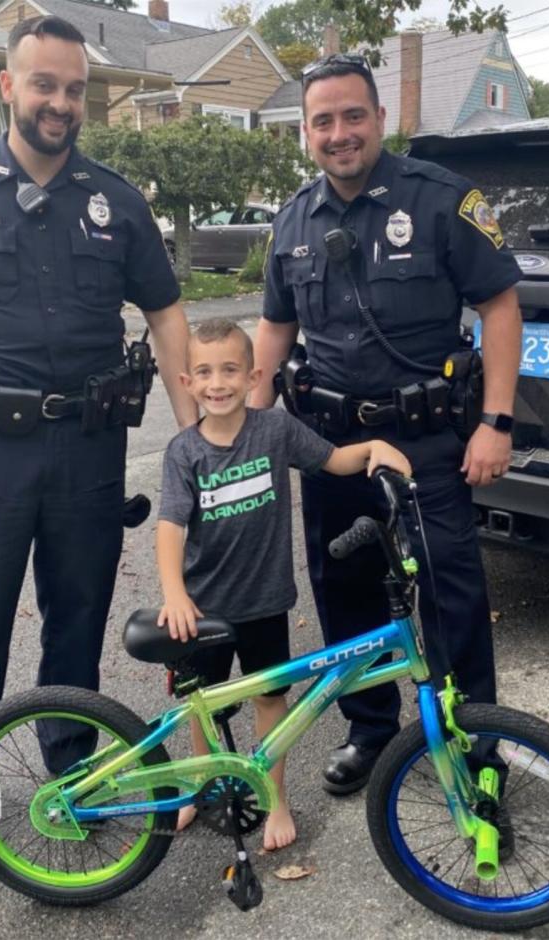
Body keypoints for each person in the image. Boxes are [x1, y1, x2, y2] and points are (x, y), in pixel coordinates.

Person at [0, 15, 196, 848]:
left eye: (74, 88)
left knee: (78, 619)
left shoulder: (117, 204)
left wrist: (195, 436)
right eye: (44, 84)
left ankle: (73, 774)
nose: (60, 102)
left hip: (89, 450)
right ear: (8, 87)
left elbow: (166, 316)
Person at [250, 54, 523, 796]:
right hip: (330, 442)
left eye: (353, 116)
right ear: (305, 133)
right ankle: (370, 727)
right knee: (344, 589)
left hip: (426, 439)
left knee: (448, 591)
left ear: (379, 119)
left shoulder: (440, 200)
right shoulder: (294, 219)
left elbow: (500, 307)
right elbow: (276, 326)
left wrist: (495, 421)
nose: (339, 134)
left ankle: (477, 743)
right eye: (323, 121)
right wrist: (250, 420)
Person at [156, 319, 410, 850]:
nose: (217, 383)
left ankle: (275, 800)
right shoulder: (184, 452)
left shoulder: (275, 431)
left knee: (272, 703)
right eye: (204, 372)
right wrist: (175, 593)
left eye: (229, 370)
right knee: (203, 704)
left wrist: (375, 447)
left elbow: (335, 460)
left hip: (266, 603)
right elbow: (171, 528)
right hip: (203, 609)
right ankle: (203, 784)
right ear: (187, 383)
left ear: (253, 377)